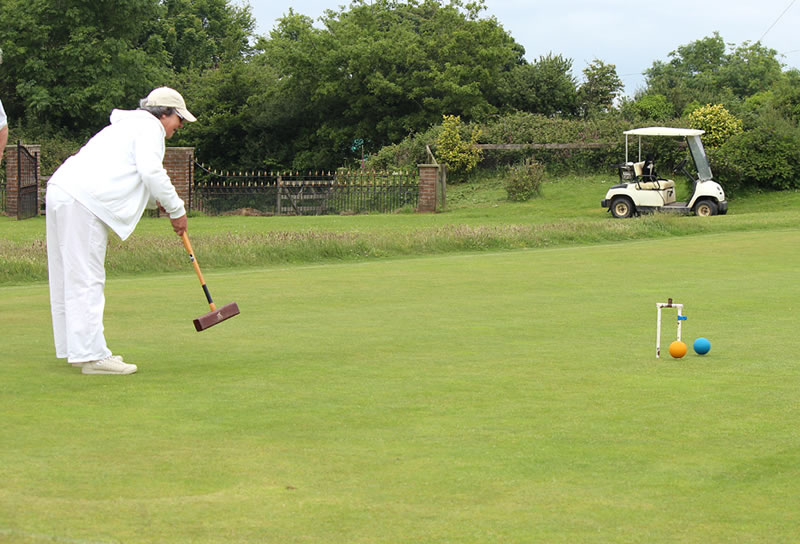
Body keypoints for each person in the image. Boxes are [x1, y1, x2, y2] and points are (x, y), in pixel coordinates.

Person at [46, 87, 196, 375]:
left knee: (70, 276)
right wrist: (177, 210)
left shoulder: (128, 127)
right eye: (179, 119)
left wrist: (160, 203)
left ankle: (78, 350)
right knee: (87, 278)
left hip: (63, 190)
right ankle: (93, 356)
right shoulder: (150, 129)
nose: (180, 126)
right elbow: (152, 172)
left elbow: (134, 177)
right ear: (165, 114)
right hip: (82, 201)